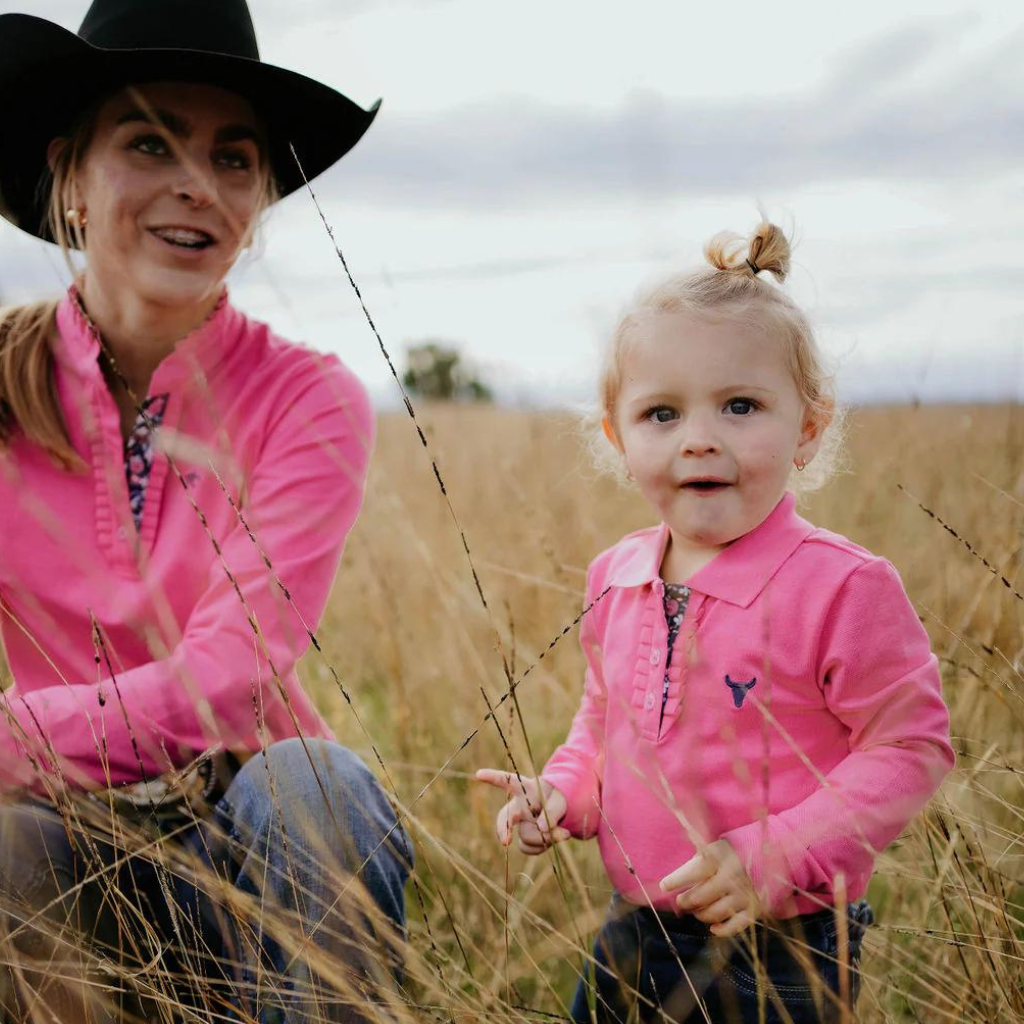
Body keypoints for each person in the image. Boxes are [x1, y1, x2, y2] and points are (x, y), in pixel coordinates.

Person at [0, 1, 411, 1021]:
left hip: (251, 838)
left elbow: (228, 684)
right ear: (72, 179)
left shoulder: (306, 398)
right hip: (60, 843)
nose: (198, 183)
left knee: (318, 785)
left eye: (235, 157)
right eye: (149, 141)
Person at [477, 222, 955, 1023]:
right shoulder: (617, 574)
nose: (699, 439)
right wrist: (561, 793)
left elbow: (910, 749)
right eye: (661, 414)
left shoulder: (843, 586)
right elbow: (605, 723)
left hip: (782, 947)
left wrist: (776, 853)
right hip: (632, 932)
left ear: (806, 427)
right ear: (617, 436)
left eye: (740, 406)